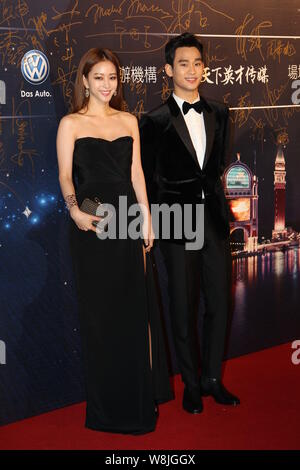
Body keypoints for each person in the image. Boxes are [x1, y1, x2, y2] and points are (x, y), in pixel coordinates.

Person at [57, 47, 172, 434]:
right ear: (85, 81)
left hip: (127, 223)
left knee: (132, 315)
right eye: (99, 78)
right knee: (100, 318)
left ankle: (137, 406)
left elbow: (137, 172)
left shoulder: (128, 120)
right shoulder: (70, 123)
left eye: (113, 78)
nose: (107, 85)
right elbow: (65, 177)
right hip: (92, 224)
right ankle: (105, 411)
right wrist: (74, 211)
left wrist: (148, 219)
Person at [139, 33, 240, 414]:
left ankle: (213, 378)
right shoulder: (154, 120)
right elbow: (147, 181)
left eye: (197, 63)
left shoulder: (219, 111)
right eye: (183, 63)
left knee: (219, 301)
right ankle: (191, 383)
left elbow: (214, 171)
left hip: (213, 220)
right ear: (168, 70)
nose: (192, 70)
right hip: (176, 223)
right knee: (182, 306)